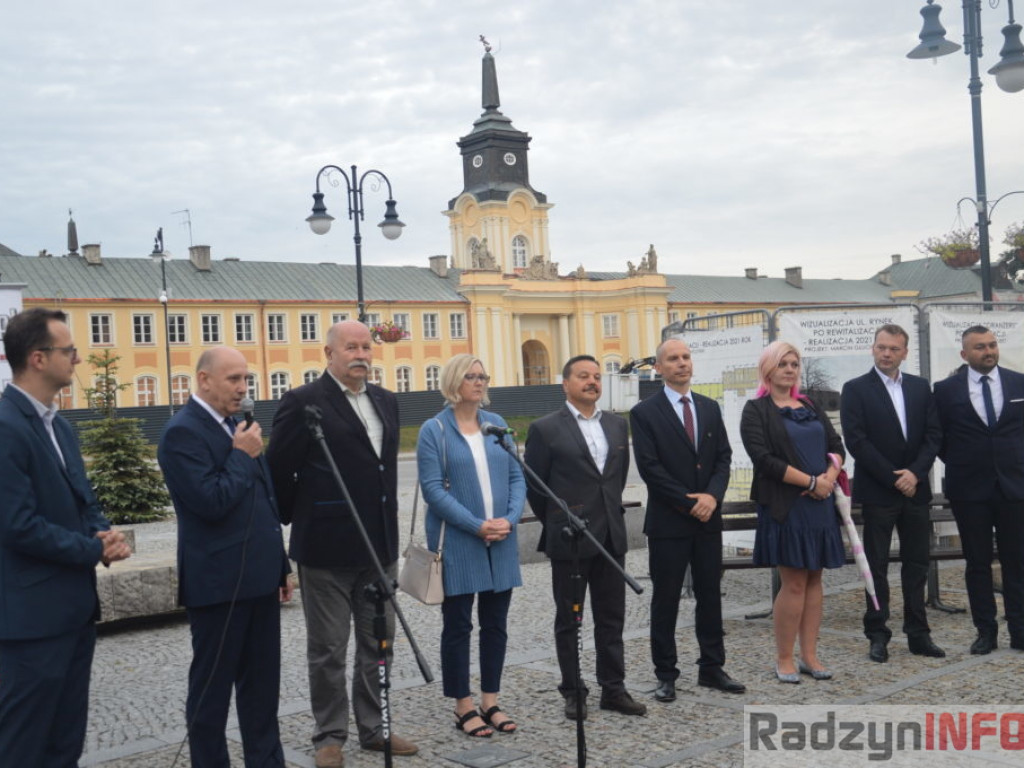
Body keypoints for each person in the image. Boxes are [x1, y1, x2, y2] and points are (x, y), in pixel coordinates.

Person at [267, 320, 418, 766]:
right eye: (351, 347)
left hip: (379, 546)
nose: (361, 354)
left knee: (380, 642)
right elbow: (279, 471)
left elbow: (380, 471)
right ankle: (329, 734)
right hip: (326, 547)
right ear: (329, 353)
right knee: (328, 647)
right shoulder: (303, 403)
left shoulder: (386, 402)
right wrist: (307, 514)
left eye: (366, 347)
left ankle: (375, 727)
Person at [0, 308, 131, 766]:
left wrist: (105, 535)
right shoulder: (6, 425)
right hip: (30, 622)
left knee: (64, 741)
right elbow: (17, 525)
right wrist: (90, 549)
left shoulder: (60, 425)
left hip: (73, 612)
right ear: (38, 358)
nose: (78, 359)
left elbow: (82, 498)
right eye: (69, 350)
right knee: (23, 744)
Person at [157, 346, 292, 767]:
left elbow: (263, 501)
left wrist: (280, 567)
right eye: (233, 379)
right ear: (203, 380)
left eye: (245, 379)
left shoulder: (239, 427)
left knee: (262, 689)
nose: (242, 388)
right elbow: (210, 502)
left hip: (260, 579)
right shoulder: (183, 433)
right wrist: (240, 455)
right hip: (218, 585)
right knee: (212, 693)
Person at [524, 355, 646, 720]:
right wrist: (565, 518)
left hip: (610, 535)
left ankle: (614, 688)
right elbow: (536, 485)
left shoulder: (615, 424)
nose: (592, 381)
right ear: (566, 384)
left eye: (596, 376)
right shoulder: (545, 428)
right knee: (570, 618)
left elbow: (616, 477)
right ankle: (573, 689)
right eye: (583, 376)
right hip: (570, 539)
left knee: (611, 618)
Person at [416, 354, 526, 738]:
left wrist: (508, 520)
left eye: (483, 376)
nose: (479, 383)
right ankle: (462, 705)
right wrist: (477, 525)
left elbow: (517, 476)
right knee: (459, 624)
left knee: (496, 624)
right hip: (462, 540)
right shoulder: (435, 430)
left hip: (502, 540)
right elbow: (432, 490)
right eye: (471, 376)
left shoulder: (498, 425)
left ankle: (490, 700)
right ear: (453, 382)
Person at [630, 338, 745, 701]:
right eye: (672, 359)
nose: (681, 363)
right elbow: (650, 467)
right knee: (666, 600)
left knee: (710, 595)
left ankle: (712, 668)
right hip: (669, 523)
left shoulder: (709, 408)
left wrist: (712, 497)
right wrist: (686, 501)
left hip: (707, 519)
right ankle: (666, 673)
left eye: (685, 357)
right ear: (659, 368)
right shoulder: (644, 412)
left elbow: (723, 458)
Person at [740, 341, 845, 683]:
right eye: (783, 363)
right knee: (795, 582)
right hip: (787, 506)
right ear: (768, 368)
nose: (789, 369)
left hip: (820, 505)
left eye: (794, 363)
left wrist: (828, 478)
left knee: (816, 580)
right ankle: (784, 658)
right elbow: (764, 460)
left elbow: (836, 447)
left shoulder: (809, 405)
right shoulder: (756, 410)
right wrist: (812, 482)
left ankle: (810, 656)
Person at [840, 324, 945, 663]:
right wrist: (893, 477)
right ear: (873, 348)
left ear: (904, 352)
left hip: (915, 491)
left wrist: (915, 473)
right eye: (881, 347)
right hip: (879, 492)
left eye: (893, 349)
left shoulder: (919, 387)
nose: (886, 353)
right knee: (877, 565)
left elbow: (933, 436)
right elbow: (857, 441)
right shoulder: (855, 389)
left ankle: (918, 633)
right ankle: (877, 633)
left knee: (917, 565)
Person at [933, 325, 1024, 655]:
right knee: (977, 563)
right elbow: (939, 438)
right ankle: (985, 631)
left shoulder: (1019, 383)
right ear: (964, 354)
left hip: (1015, 487)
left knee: (1018, 562)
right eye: (980, 347)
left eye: (992, 345)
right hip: (969, 490)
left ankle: (1020, 630)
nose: (988, 351)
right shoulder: (944, 391)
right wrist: (966, 463)